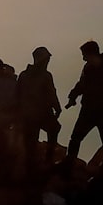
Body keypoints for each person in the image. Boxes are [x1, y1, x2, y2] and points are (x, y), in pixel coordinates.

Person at [63, 40, 103, 167]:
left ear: (92, 54)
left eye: (85, 55)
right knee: (75, 138)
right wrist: (72, 97)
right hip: (88, 111)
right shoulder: (88, 69)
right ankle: (68, 164)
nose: (84, 59)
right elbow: (81, 85)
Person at [16, 46, 62, 174]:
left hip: (29, 115)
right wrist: (57, 108)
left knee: (30, 143)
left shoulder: (24, 75)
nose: (48, 62)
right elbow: (51, 93)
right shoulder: (45, 76)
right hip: (40, 113)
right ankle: (47, 160)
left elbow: (17, 95)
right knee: (53, 129)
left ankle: (31, 167)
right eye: (46, 59)